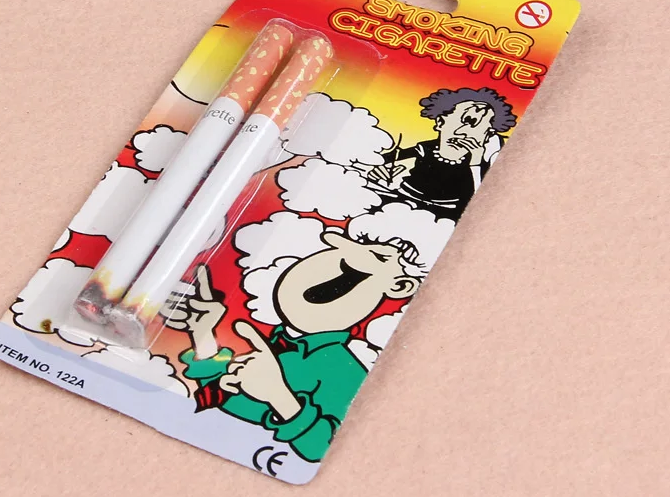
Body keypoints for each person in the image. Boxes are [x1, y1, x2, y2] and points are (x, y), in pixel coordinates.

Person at [161, 209, 433, 463]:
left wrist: (279, 396)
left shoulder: (343, 367)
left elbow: (317, 445)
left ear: (400, 286)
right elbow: (224, 396)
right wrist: (204, 336)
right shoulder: (273, 343)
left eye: (377, 258)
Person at [369, 87, 516, 221]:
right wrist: (376, 171)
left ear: (487, 136)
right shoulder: (426, 148)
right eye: (463, 122)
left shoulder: (478, 164)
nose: (463, 133)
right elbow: (378, 159)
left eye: (478, 128)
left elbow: (482, 198)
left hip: (445, 215)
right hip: (402, 201)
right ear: (440, 122)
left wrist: (476, 162)